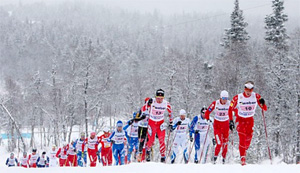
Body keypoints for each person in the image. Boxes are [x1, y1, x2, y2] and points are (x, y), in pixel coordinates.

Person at [228, 81, 267, 166]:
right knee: (242, 138)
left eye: (250, 89)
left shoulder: (256, 96)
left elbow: (264, 108)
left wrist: (263, 103)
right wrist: (231, 121)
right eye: (246, 89)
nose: (248, 91)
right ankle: (242, 158)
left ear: (252, 89)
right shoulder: (238, 97)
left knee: (248, 140)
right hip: (241, 120)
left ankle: (244, 151)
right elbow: (230, 108)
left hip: (250, 120)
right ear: (244, 89)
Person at [142, 89, 173, 162]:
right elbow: (143, 109)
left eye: (161, 98)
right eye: (158, 98)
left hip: (160, 123)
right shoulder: (152, 101)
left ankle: (163, 156)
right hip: (152, 123)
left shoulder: (166, 103)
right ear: (155, 97)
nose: (159, 100)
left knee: (162, 140)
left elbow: (170, 112)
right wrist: (148, 104)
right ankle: (148, 150)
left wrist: (171, 122)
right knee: (151, 140)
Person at [205, 90, 231, 164]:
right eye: (223, 98)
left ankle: (223, 159)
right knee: (219, 143)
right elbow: (207, 111)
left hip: (226, 125)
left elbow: (236, 109)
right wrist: (207, 119)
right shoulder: (215, 103)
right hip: (217, 126)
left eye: (226, 98)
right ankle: (215, 158)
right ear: (220, 97)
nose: (224, 101)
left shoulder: (229, 103)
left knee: (225, 143)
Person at [136, 97, 152, 162]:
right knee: (141, 140)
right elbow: (136, 118)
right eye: (147, 102)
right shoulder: (142, 108)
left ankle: (148, 154)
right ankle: (139, 154)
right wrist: (141, 118)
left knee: (149, 140)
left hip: (148, 127)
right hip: (141, 126)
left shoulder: (152, 109)